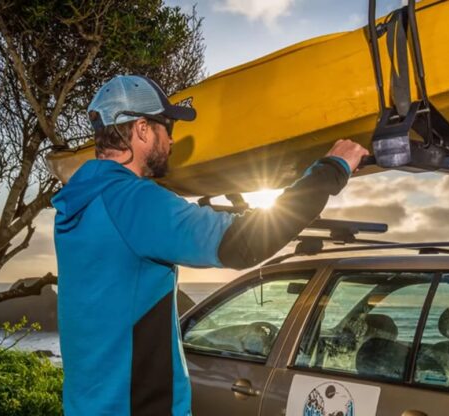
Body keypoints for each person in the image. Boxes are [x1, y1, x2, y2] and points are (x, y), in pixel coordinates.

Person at [52, 75, 369, 416]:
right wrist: (331, 170)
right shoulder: (132, 200)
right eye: (165, 126)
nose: (171, 140)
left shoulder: (79, 203)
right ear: (142, 129)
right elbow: (244, 244)